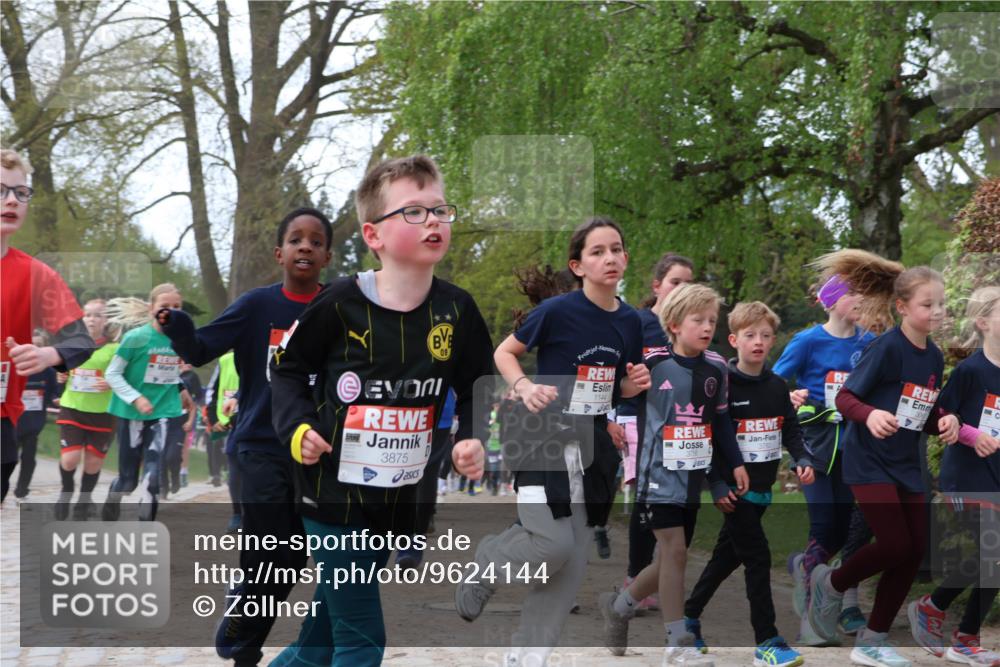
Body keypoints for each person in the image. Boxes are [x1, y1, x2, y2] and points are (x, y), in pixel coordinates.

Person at [269, 154, 493, 666]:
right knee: (362, 640)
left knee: (319, 642)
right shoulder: (339, 304)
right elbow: (285, 371)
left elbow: (477, 383)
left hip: (397, 500)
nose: (434, 220)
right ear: (374, 235)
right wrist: (298, 427)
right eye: (414, 212)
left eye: (440, 210)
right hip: (331, 495)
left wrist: (470, 435)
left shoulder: (458, 310)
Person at [457, 217, 650, 667]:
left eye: (616, 249)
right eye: (598, 251)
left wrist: (632, 386)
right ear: (577, 265)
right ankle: (490, 560)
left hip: (592, 451)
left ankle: (528, 657)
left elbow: (609, 388)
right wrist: (524, 387)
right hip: (539, 438)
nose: (610, 258)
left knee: (569, 569)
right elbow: (503, 353)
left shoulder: (631, 321)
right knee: (552, 546)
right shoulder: (558, 312)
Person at [156, 206, 333, 667]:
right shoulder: (258, 306)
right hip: (259, 446)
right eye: (296, 239)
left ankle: (242, 618)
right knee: (266, 547)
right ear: (280, 252)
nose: (305, 247)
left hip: (313, 452)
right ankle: (245, 647)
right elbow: (200, 348)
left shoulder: (339, 307)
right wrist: (177, 326)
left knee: (293, 559)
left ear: (327, 256)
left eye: (316, 241)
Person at [808, 267, 961, 667]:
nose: (938, 311)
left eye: (941, 304)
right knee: (895, 545)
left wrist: (944, 420)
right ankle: (833, 581)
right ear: (902, 307)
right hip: (868, 460)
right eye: (928, 304)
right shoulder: (887, 348)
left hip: (905, 463)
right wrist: (871, 415)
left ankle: (872, 640)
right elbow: (845, 399)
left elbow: (922, 412)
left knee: (913, 553)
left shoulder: (934, 354)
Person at [599, 283, 747, 667]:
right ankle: (677, 642)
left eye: (712, 320)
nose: (706, 327)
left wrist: (733, 465)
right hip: (655, 476)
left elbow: (721, 422)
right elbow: (613, 394)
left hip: (692, 478)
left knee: (668, 561)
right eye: (698, 320)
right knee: (676, 552)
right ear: (675, 324)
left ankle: (620, 604)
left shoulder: (717, 367)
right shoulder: (653, 364)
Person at [774, 249, 903, 641]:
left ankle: (829, 592)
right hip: (815, 447)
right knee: (825, 528)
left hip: (857, 450)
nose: (862, 301)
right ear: (833, 301)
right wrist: (791, 395)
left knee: (849, 532)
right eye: (854, 295)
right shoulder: (807, 341)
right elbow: (773, 383)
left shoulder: (870, 342)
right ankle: (811, 618)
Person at [683, 301, 813, 667]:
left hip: (762, 489)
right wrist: (716, 483)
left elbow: (790, 428)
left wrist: (802, 458)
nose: (759, 341)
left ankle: (688, 617)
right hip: (732, 491)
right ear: (734, 339)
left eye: (766, 335)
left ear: (773, 340)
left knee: (726, 558)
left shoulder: (775, 385)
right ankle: (767, 640)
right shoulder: (721, 383)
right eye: (750, 335)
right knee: (758, 558)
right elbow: (705, 436)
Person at [908, 285, 1000, 665]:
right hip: (966, 475)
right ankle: (935, 608)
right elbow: (943, 417)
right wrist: (971, 434)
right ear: (983, 323)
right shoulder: (970, 371)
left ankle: (963, 637)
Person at [1, 148, 94, 502]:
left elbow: (81, 341)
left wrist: (48, 354)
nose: (11, 201)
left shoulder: (37, 275)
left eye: (20, 193)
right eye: (0, 191)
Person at [620, 252, 694, 607]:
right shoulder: (638, 322)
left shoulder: (689, 330)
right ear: (657, 286)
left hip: (677, 428)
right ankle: (635, 576)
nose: (682, 289)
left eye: (688, 284)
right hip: (636, 420)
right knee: (647, 497)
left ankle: (652, 577)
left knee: (671, 501)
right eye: (675, 282)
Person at [101, 285, 186, 521]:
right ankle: (113, 497)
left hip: (163, 412)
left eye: (177, 307)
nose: (172, 311)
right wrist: (136, 398)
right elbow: (112, 374)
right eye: (165, 306)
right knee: (128, 481)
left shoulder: (180, 339)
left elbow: (166, 369)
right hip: (131, 414)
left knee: (153, 477)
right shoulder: (136, 338)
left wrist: (182, 389)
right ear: (152, 309)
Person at [54, 299, 118, 519]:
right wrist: (60, 374)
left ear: (106, 319)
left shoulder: (114, 348)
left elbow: (125, 376)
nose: (92, 319)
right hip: (73, 407)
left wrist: (112, 383)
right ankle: (66, 491)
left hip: (103, 413)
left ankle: (84, 501)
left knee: (92, 463)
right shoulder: (72, 343)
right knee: (70, 459)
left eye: (98, 315)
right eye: (88, 314)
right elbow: (61, 368)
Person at [12, 329, 59, 500]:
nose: (33, 348)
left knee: (29, 459)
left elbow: (54, 393)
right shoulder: (15, 367)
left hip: (34, 424)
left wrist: (56, 399)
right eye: (30, 345)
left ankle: (22, 491)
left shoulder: (49, 372)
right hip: (12, 422)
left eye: (38, 346)